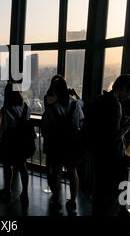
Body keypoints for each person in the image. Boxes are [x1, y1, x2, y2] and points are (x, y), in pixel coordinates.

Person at [84, 74, 130, 216]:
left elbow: (103, 128)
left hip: (99, 155)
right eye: (129, 93)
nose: (128, 97)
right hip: (112, 159)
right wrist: (129, 122)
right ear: (122, 88)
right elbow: (114, 136)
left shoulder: (100, 100)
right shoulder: (115, 105)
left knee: (100, 194)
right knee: (110, 198)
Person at [42, 76, 84, 215]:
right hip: (72, 144)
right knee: (73, 173)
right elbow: (80, 121)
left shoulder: (51, 108)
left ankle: (57, 199)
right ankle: (72, 200)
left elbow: (47, 127)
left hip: (56, 144)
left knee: (57, 172)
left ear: (54, 90)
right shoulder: (75, 105)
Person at [0, 82, 32, 205]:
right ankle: (25, 192)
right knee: (23, 166)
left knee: (7, 166)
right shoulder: (26, 107)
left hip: (9, 140)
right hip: (22, 140)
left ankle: (7, 190)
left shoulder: (6, 110)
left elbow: (3, 127)